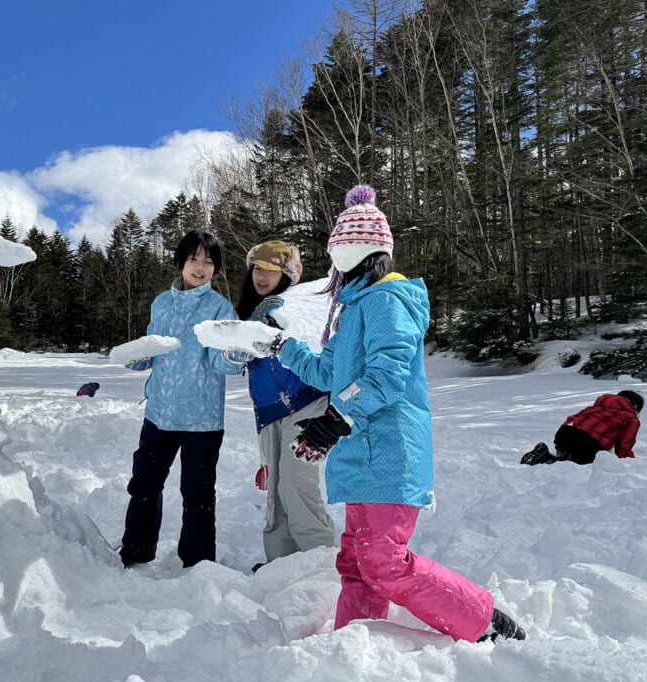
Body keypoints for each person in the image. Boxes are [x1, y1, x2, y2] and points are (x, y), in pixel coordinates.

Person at [252, 185, 525, 642]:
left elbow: (388, 372)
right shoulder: (354, 306)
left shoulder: (386, 299)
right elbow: (326, 370)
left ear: (355, 250)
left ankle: (482, 620)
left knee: (382, 560)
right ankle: (356, 641)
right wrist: (282, 346)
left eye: (336, 247)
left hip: (390, 450)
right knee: (357, 563)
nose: (332, 256)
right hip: (363, 457)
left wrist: (337, 419)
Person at [118, 231, 246, 568]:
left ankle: (198, 564)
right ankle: (136, 552)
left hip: (201, 417)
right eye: (194, 259)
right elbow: (154, 346)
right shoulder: (161, 302)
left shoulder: (221, 307)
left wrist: (234, 356)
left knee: (198, 495)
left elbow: (221, 363)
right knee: (144, 484)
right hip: (159, 411)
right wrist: (141, 357)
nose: (201, 267)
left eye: (208, 261)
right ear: (181, 261)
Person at [234, 240, 335, 570]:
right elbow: (231, 359)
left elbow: (321, 347)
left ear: (288, 275)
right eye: (257, 269)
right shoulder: (248, 315)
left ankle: (320, 564)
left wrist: (281, 323)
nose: (261, 276)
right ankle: (280, 566)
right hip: (268, 411)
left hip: (307, 401)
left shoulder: (300, 306)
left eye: (271, 271)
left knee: (296, 481)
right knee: (276, 490)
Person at [521, 390, 644, 466]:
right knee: (583, 465)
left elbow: (574, 419)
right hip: (587, 442)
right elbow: (624, 445)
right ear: (635, 406)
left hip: (565, 433)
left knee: (570, 457)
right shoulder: (630, 418)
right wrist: (628, 463)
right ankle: (553, 460)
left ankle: (544, 455)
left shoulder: (598, 406)